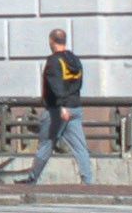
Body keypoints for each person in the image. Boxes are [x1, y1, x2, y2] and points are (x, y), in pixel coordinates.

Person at [25, 28, 92, 184]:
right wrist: (70, 103)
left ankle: (32, 178)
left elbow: (56, 85)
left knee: (45, 145)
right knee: (80, 147)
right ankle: (87, 179)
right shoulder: (75, 60)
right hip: (75, 107)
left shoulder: (54, 61)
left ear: (51, 41)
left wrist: (62, 106)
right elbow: (78, 84)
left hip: (57, 110)